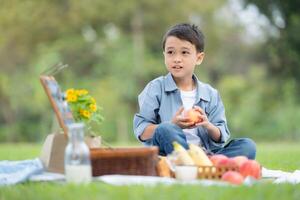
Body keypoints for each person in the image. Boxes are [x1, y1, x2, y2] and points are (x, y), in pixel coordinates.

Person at [133, 23, 256, 159]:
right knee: (166, 129)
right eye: (170, 52)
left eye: (184, 52)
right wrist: (172, 125)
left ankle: (203, 164)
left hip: (204, 154)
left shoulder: (210, 94)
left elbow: (221, 135)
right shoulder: (155, 88)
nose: (176, 59)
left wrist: (208, 125)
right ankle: (190, 163)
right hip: (169, 153)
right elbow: (142, 130)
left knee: (247, 146)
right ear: (164, 55)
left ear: (199, 58)